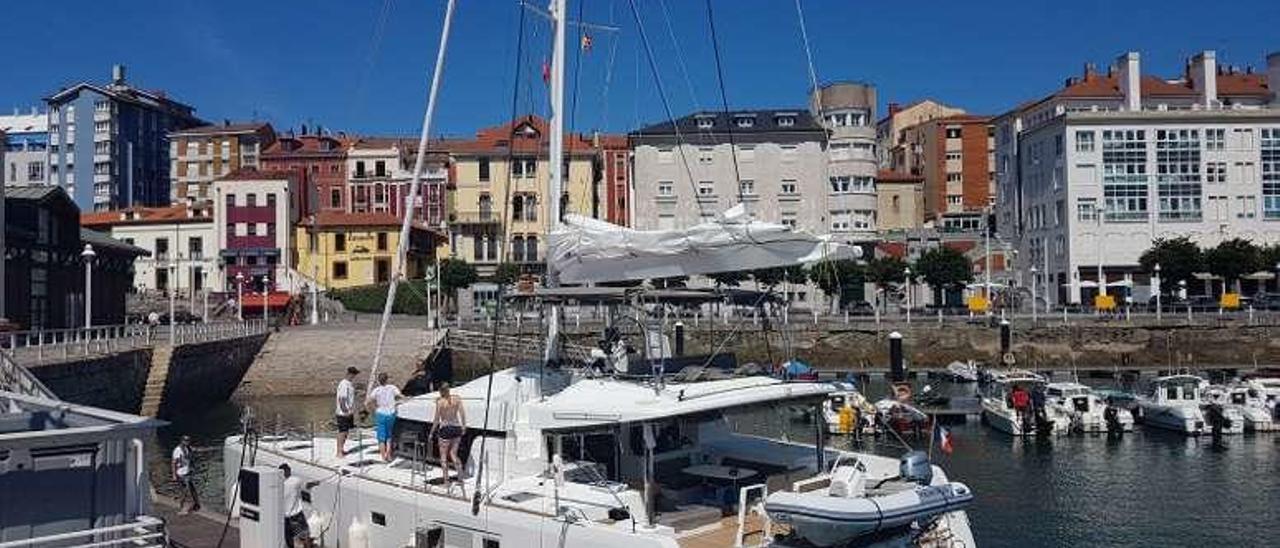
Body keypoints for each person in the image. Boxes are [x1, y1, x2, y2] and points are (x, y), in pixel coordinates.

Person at [428, 383, 468, 490]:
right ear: (449, 390)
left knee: (443, 456)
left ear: (441, 391)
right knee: (453, 454)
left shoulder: (440, 402)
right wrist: (464, 426)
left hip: (445, 429)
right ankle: (460, 478)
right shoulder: (457, 399)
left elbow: (436, 420)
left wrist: (431, 433)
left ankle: (446, 482)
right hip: (456, 428)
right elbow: (462, 413)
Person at [366, 372, 405, 461]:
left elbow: (368, 402)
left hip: (380, 414)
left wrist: (374, 410)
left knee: (381, 437)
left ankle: (383, 456)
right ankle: (389, 455)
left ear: (379, 381)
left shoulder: (376, 390)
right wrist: (407, 398)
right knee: (389, 436)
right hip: (391, 414)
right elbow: (400, 396)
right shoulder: (392, 388)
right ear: (387, 379)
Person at [280, 464, 320, 548]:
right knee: (306, 535)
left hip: (284, 518)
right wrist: (315, 483)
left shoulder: (278, 484)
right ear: (288, 471)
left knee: (289, 539)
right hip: (296, 516)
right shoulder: (295, 480)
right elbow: (307, 486)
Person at [171, 435, 200, 514]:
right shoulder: (177, 450)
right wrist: (174, 475)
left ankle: (196, 504)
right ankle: (182, 507)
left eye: (188, 441)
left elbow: (190, 457)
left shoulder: (188, 448)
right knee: (184, 491)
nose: (187, 442)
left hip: (187, 472)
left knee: (192, 488)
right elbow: (174, 463)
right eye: (185, 441)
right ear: (182, 441)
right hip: (181, 473)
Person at [334, 367, 359, 458]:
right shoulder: (344, 384)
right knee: (342, 431)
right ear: (349, 374)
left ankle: (342, 449)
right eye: (354, 374)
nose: (354, 376)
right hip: (343, 413)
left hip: (349, 412)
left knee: (346, 431)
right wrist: (345, 411)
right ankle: (339, 452)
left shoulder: (349, 384)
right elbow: (342, 399)